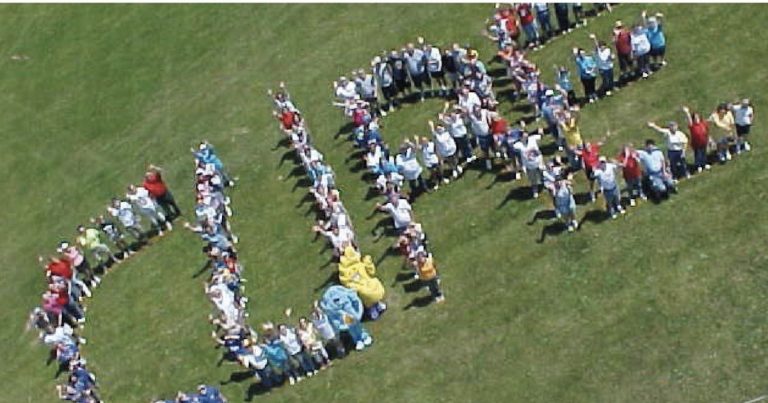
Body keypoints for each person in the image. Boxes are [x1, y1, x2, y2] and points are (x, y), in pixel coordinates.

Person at [514, 127, 545, 198]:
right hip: (529, 166)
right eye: (523, 135)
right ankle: (535, 190)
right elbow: (512, 147)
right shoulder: (519, 145)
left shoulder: (533, 138)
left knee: (542, 174)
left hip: (539, 162)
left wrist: (541, 132)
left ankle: (544, 184)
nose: (526, 137)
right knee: (533, 179)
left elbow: (541, 136)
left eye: (526, 134)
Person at [682, 105, 711, 172]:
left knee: (704, 153)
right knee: (698, 154)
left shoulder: (703, 123)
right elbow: (689, 120)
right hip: (696, 143)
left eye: (697, 117)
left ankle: (704, 164)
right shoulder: (692, 125)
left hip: (704, 141)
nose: (696, 119)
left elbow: (707, 131)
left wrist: (709, 139)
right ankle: (699, 166)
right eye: (695, 118)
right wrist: (687, 112)